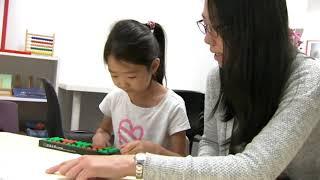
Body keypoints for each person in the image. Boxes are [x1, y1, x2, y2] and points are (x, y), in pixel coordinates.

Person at [46, 0, 320, 179]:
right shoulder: (219, 77)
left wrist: (134, 164)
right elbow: (212, 145)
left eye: (215, 28)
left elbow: (255, 167)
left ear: (253, 31)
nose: (206, 38)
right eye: (205, 25)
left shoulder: (308, 81)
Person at [91, 19, 190, 157]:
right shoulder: (115, 98)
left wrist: (154, 150)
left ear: (154, 66)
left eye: (131, 77)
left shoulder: (173, 106)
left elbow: (181, 162)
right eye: (114, 75)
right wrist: (100, 136)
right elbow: (104, 130)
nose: (122, 84)